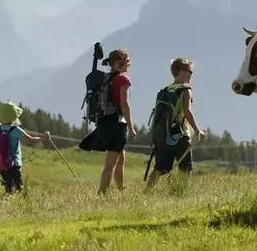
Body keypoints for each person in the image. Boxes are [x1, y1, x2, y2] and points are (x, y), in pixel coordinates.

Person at [78, 49, 136, 194]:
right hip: (116, 124)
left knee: (120, 158)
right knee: (110, 164)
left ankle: (121, 190)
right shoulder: (123, 79)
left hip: (104, 123)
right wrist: (131, 126)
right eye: (127, 61)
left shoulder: (106, 79)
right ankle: (101, 194)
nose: (129, 64)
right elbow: (124, 104)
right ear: (118, 63)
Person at [145, 57, 204, 190]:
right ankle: (181, 194)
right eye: (190, 71)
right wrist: (197, 130)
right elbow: (187, 111)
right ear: (180, 72)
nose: (191, 74)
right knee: (185, 168)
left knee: (159, 168)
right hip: (180, 135)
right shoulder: (185, 89)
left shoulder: (165, 90)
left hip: (163, 136)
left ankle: (146, 192)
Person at [0, 101, 51, 194]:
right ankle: (16, 205)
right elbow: (30, 139)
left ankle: (7, 204)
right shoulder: (15, 129)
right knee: (18, 188)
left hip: (2, 164)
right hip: (14, 163)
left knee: (8, 188)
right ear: (14, 117)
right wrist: (44, 137)